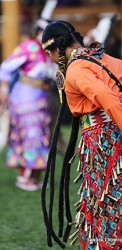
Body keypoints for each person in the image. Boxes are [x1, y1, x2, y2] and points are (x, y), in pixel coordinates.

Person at [41, 20, 122, 250]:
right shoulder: (107, 59)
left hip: (106, 142)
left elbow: (104, 94)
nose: (49, 58)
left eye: (49, 52)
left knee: (108, 203)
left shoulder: (77, 68)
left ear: (57, 49)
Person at [0, 18, 64, 191]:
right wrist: (4, 89)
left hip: (42, 97)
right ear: (38, 33)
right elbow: (6, 67)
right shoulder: (29, 47)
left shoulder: (49, 52)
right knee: (32, 136)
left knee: (42, 136)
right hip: (26, 98)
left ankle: (34, 177)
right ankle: (25, 177)